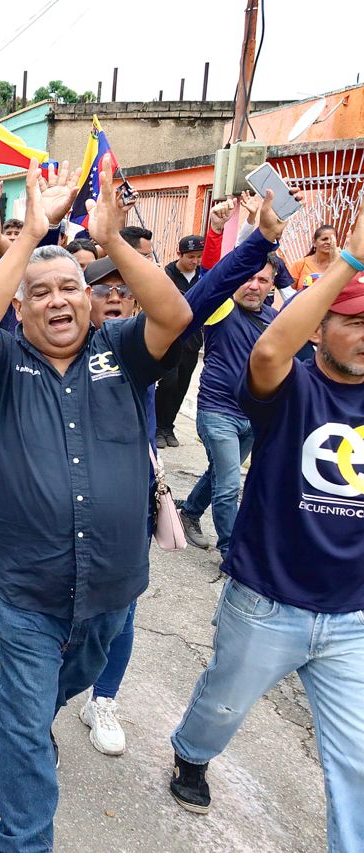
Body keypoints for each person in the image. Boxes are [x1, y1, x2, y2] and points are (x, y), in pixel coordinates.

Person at [0, 156, 191, 852]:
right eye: (41, 293)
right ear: (19, 308)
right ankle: (23, 838)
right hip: (27, 587)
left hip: (112, 584)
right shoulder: (0, 364)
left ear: (91, 300)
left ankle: (38, 721)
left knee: (76, 676)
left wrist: (113, 238)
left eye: (70, 288)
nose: (58, 300)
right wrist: (28, 235)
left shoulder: (121, 348)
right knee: (26, 720)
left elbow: (174, 313)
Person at [77, 189, 299, 761]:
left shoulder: (143, 345)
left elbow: (203, 293)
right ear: (84, 300)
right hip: (61, 505)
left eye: (128, 293)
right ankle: (51, 686)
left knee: (122, 609)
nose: (119, 301)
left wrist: (264, 240)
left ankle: (103, 697)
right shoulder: (48, 349)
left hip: (128, 496)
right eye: (106, 292)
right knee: (66, 612)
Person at [167, 212, 364, 853]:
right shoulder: (291, 384)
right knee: (221, 707)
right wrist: (348, 265)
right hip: (266, 600)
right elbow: (272, 349)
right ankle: (191, 754)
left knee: (356, 765)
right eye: (353, 322)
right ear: (320, 327)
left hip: (350, 617)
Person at [177, 254, 281, 557]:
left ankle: (190, 513)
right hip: (218, 412)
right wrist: (223, 231)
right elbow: (212, 276)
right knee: (229, 485)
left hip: (254, 416)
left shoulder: (273, 319)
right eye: (248, 277)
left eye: (262, 280)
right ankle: (230, 552)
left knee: (221, 473)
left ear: (271, 285)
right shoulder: (222, 308)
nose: (253, 285)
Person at [155, 234, 206, 448]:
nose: (195, 261)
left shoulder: (203, 277)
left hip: (192, 342)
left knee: (182, 386)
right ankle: (157, 426)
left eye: (198, 257)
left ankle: (169, 426)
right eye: (191, 256)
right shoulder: (165, 274)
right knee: (168, 383)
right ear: (179, 254)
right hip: (169, 340)